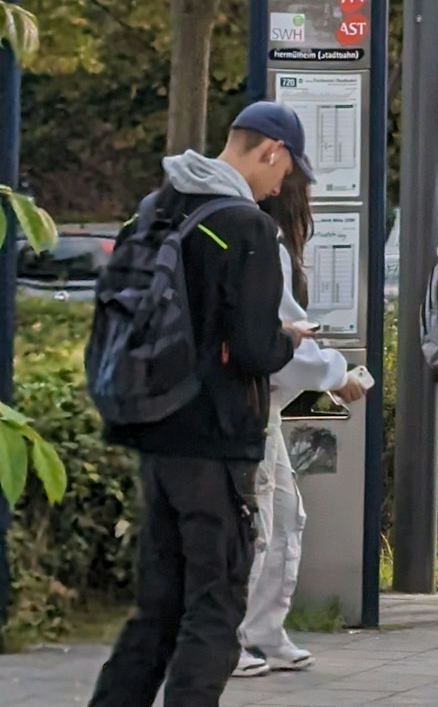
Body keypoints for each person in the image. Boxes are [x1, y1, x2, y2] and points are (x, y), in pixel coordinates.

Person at [89, 102, 310, 707]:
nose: (280, 188)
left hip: (153, 429)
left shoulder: (154, 210)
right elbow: (254, 349)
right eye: (284, 172)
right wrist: (289, 340)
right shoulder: (247, 228)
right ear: (272, 151)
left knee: (157, 607)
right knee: (215, 605)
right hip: (215, 441)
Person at [234, 167, 369, 678]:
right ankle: (233, 637)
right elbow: (283, 337)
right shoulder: (267, 244)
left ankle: (264, 631)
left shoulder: (263, 241)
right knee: (260, 523)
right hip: (254, 404)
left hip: (263, 402)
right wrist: (334, 375)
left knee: (287, 517)